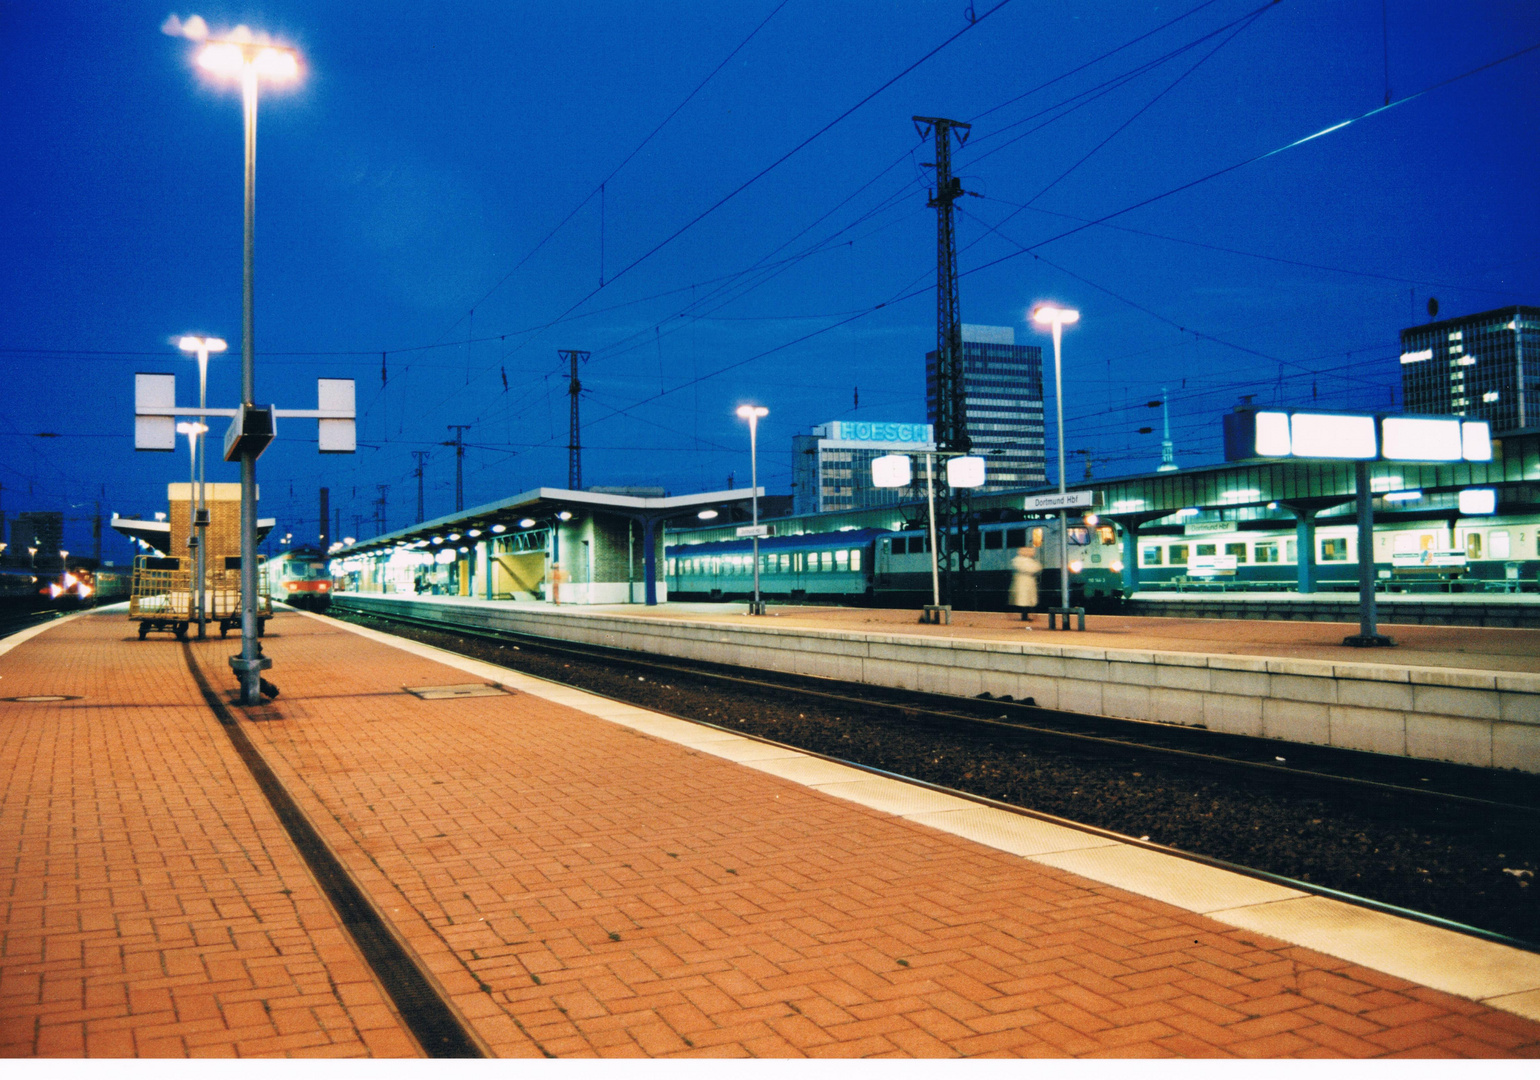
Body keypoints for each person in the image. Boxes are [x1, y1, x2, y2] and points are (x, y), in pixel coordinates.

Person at [1010, 545, 1041, 624]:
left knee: (1029, 599)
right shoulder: (1019, 560)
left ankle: (1027, 615)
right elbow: (1032, 568)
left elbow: (1037, 568)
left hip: (1028, 582)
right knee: (1024, 600)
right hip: (1023, 582)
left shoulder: (1029, 560)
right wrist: (1032, 570)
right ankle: (1024, 616)